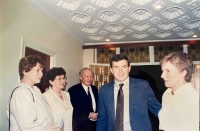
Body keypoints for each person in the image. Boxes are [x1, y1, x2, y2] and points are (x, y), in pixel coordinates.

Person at [96, 54, 161, 131]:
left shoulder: (142, 85)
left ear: (129, 68)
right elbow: (102, 118)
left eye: (124, 67)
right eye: (116, 67)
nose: (120, 71)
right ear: (111, 70)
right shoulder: (104, 90)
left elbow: (156, 108)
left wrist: (172, 124)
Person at [6, 55, 62, 131]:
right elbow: (28, 127)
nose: (41, 74)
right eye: (37, 70)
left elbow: (44, 118)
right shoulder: (21, 93)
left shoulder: (35, 90)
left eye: (41, 70)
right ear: (25, 71)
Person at [159, 52, 199, 131]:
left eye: (168, 71)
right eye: (163, 71)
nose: (162, 75)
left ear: (183, 73)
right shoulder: (166, 94)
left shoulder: (194, 98)